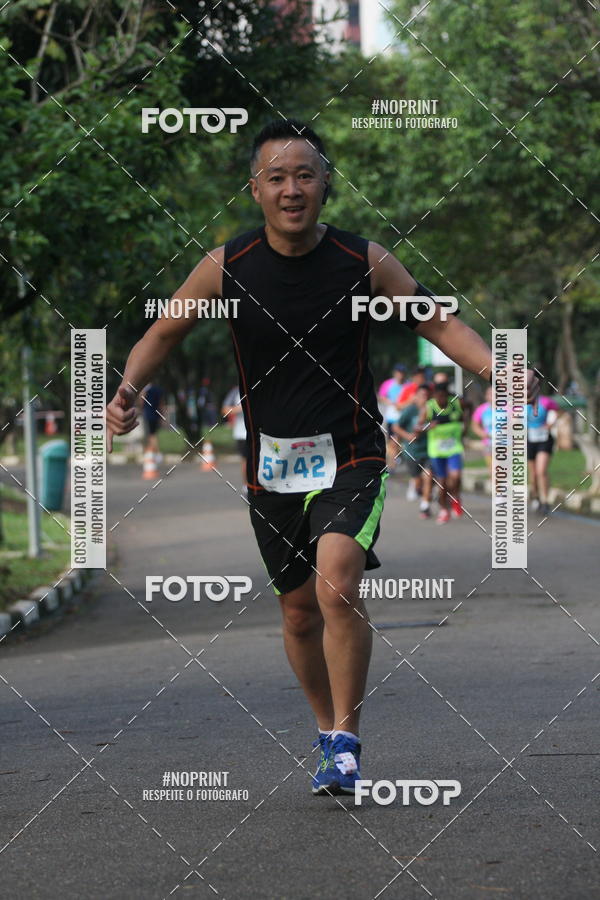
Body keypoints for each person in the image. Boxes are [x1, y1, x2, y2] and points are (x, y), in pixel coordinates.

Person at [106, 118, 540, 796]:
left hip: (353, 451)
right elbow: (163, 331)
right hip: (271, 463)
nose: (292, 189)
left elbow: (436, 319)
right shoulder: (227, 266)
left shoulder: (363, 260)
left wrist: (497, 366)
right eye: (277, 177)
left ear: (325, 184)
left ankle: (346, 739)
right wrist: (128, 389)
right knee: (299, 611)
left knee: (337, 578)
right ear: (255, 189)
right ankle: (321, 727)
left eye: (305, 174)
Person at [421, 381, 466, 524]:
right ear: (434, 395)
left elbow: (468, 409)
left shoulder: (456, 404)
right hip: (437, 451)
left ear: (447, 395)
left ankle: (456, 498)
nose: (441, 399)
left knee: (456, 476)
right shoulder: (429, 407)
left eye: (443, 396)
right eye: (438, 396)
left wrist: (466, 427)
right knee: (443, 482)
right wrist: (429, 425)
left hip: (454, 448)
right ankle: (443, 509)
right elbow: (418, 426)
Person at [392, 383, 431, 507]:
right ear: (416, 397)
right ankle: (417, 487)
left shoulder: (432, 410)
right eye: (421, 395)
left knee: (428, 475)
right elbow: (396, 427)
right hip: (412, 451)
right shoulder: (410, 410)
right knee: (418, 479)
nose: (424, 398)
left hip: (429, 450)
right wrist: (408, 436)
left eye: (426, 396)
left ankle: (425, 504)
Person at [527, 393, 559, 516]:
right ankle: (536, 496)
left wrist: (550, 424)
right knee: (534, 474)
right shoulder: (519, 403)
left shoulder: (546, 402)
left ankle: (545, 501)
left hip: (544, 439)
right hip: (529, 439)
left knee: (541, 471)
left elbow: (556, 414)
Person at [377, 363, 407, 472]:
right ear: (395, 373)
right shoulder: (388, 384)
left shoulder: (407, 385)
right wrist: (391, 402)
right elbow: (381, 397)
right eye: (399, 373)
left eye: (402, 373)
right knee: (392, 442)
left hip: (404, 418)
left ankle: (394, 461)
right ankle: (392, 465)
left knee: (397, 442)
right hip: (392, 418)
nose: (400, 375)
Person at [222, 385, 248, 492]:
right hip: (242, 433)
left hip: (258, 432)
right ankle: (246, 486)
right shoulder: (235, 391)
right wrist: (241, 408)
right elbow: (224, 410)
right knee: (246, 460)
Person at [140, 382, 164, 480]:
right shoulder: (158, 389)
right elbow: (161, 402)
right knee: (154, 434)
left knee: (150, 435)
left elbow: (142, 400)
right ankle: (154, 452)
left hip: (148, 414)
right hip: (156, 414)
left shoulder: (146, 390)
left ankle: (155, 453)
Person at [472, 385, 494, 472]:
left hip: (506, 444)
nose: (492, 395)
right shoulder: (481, 409)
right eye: (490, 393)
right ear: (486, 396)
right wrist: (483, 434)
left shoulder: (508, 407)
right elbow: (475, 425)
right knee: (493, 470)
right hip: (489, 444)